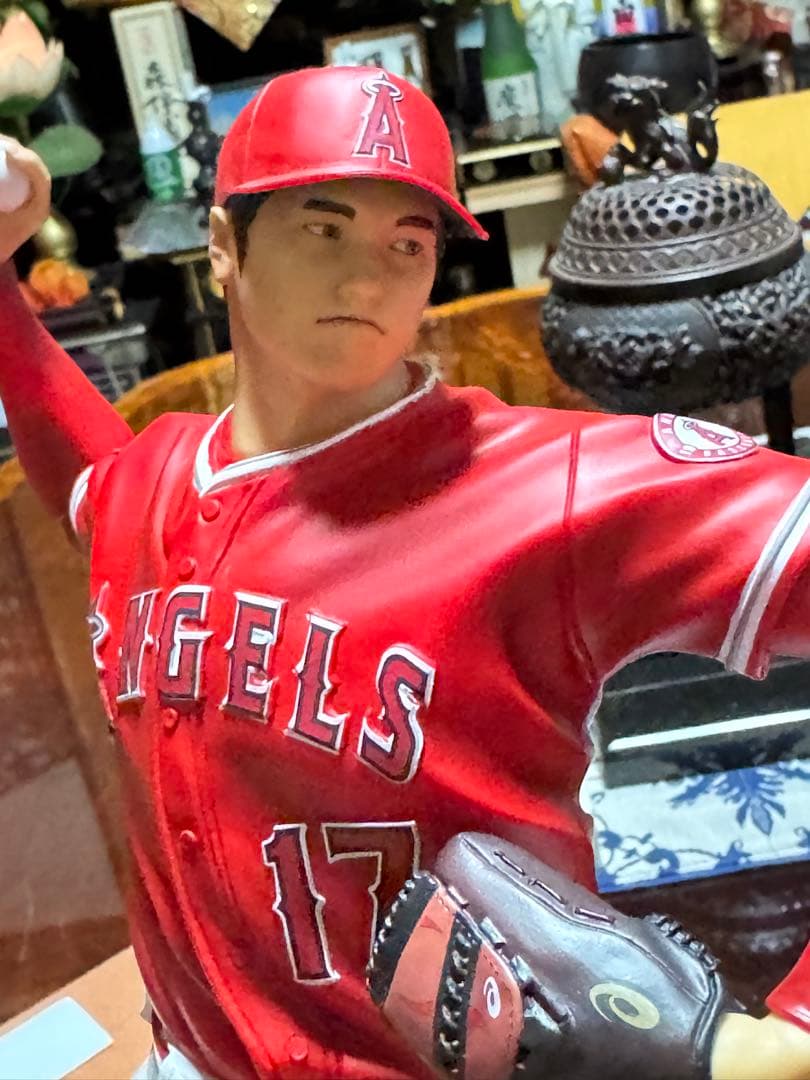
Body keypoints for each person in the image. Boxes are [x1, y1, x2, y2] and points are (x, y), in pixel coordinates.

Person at [0, 65, 807, 1079]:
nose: (367, 282)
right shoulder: (156, 481)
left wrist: (791, 1035)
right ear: (223, 246)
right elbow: (93, 481)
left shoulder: (550, 486)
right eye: (323, 229)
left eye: (407, 243)